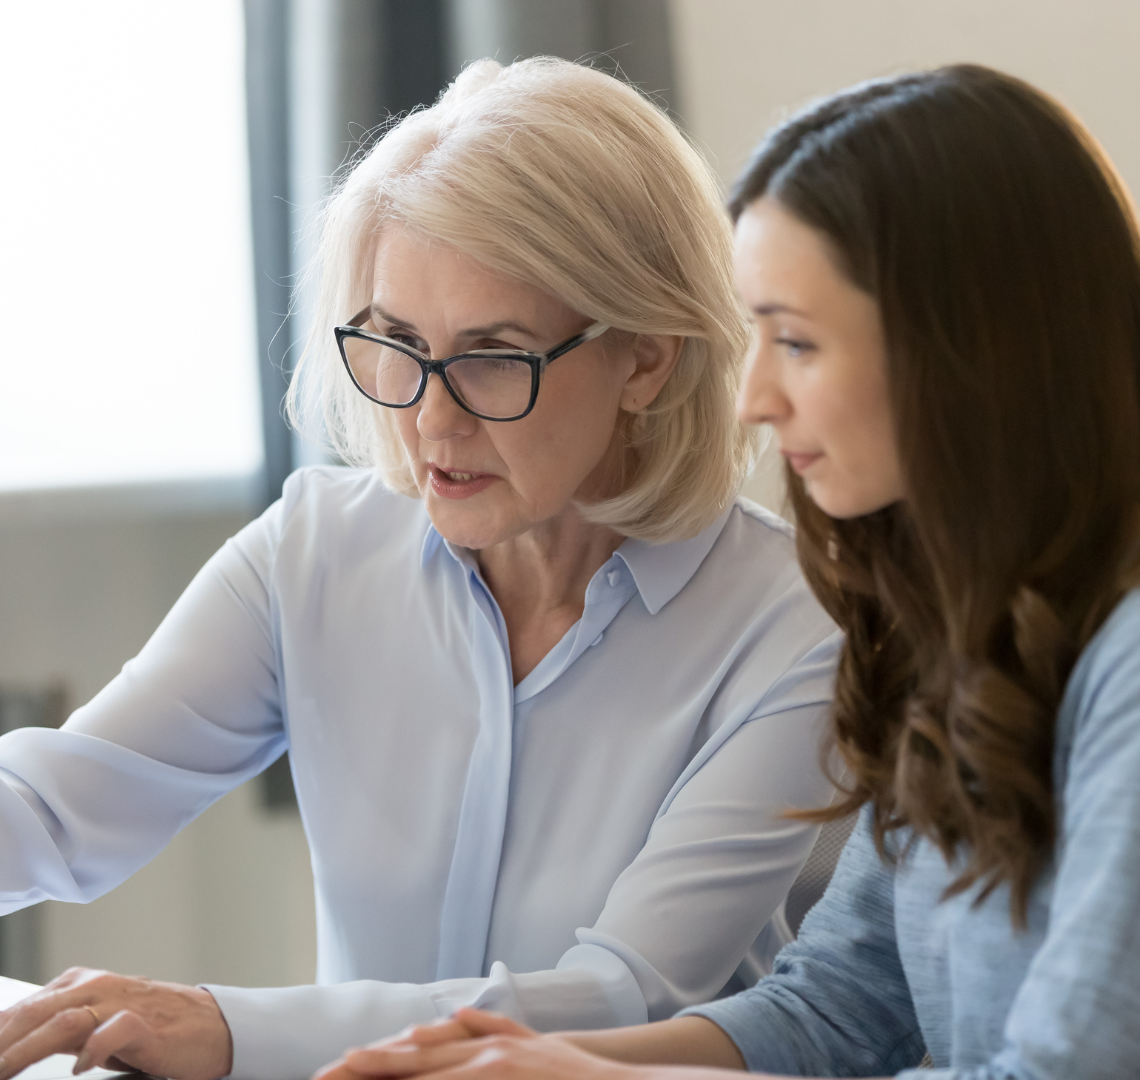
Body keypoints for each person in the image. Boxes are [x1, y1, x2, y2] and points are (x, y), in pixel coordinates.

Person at [0, 58, 839, 1080]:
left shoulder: (795, 632)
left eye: (493, 355)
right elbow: (60, 807)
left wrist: (227, 1028)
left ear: (647, 357)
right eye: (397, 343)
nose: (428, 419)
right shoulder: (318, 549)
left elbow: (624, 994)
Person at [320, 64, 1140, 1080]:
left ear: (971, 354)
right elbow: (836, 1009)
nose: (753, 396)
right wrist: (535, 1061)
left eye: (795, 342)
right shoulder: (959, 637)